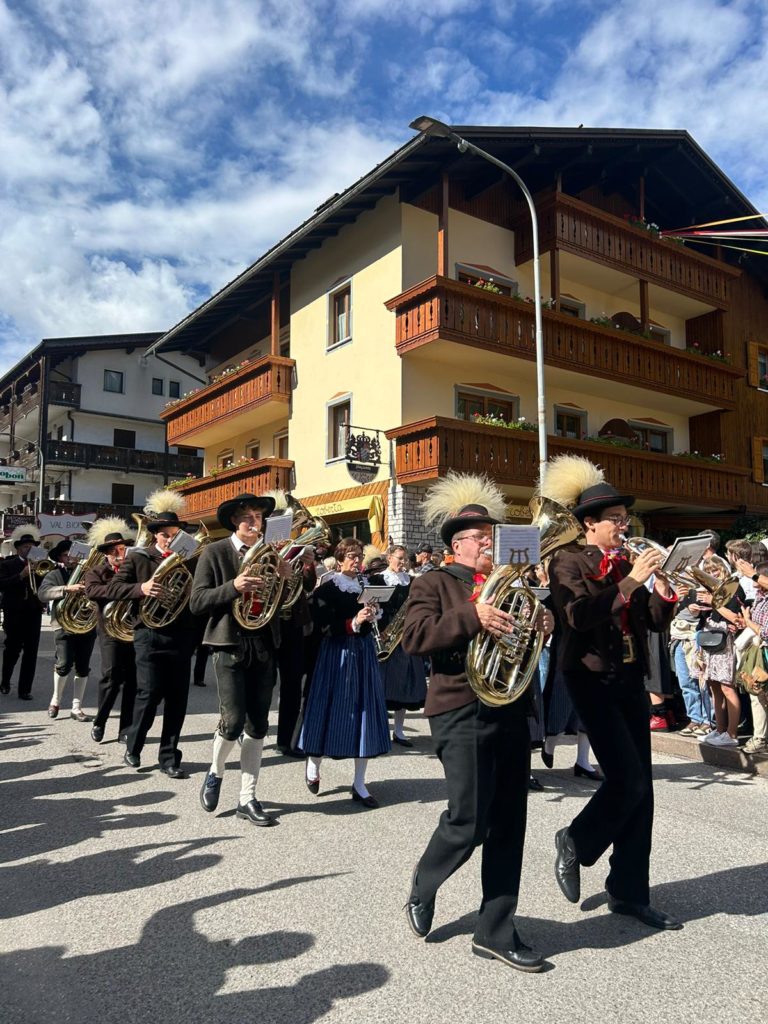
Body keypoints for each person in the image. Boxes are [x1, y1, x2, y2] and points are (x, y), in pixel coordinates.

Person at [402, 471, 554, 973]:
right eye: (480, 537)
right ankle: (425, 880)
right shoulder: (434, 582)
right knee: (468, 821)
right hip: (459, 709)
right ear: (458, 545)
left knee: (509, 822)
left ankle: (495, 930)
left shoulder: (515, 586)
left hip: (507, 708)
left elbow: (522, 645)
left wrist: (544, 622)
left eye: (493, 536)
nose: (489, 543)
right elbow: (415, 638)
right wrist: (474, 616)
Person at [543, 455, 681, 931]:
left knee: (644, 791)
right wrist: (631, 580)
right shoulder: (567, 561)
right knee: (627, 780)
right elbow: (579, 616)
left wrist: (664, 588)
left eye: (625, 519)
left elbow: (654, 623)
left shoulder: (626, 563)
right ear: (590, 524)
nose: (624, 526)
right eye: (616, 520)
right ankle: (576, 840)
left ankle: (629, 892)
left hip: (630, 676)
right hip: (589, 678)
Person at [191, 493, 290, 825]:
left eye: (258, 517)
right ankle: (215, 771)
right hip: (228, 644)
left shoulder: (270, 554)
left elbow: (282, 603)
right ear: (234, 521)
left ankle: (247, 797)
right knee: (233, 722)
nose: (254, 522)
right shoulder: (215, 552)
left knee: (258, 724)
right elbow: (197, 602)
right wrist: (233, 586)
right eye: (247, 517)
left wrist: (288, 577)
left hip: (263, 644)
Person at [106, 490, 198, 779]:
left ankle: (169, 757)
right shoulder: (139, 558)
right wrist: (141, 588)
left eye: (175, 534)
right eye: (165, 535)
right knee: (149, 693)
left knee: (178, 699)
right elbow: (113, 588)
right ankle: (134, 745)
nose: (170, 539)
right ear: (155, 535)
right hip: (149, 634)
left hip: (181, 634)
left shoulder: (190, 559)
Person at [298, 537, 390, 808]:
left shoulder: (367, 585)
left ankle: (359, 784)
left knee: (365, 713)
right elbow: (322, 627)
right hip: (336, 654)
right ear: (339, 560)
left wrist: (375, 614)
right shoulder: (328, 588)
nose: (356, 560)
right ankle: (313, 764)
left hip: (363, 653)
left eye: (359, 555)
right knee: (329, 709)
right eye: (351, 556)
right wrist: (353, 621)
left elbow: (378, 617)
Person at [82, 518, 138, 743]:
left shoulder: (134, 570)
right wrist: (127, 589)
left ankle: (126, 728)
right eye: (113, 550)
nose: (118, 553)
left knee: (133, 679)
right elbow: (93, 591)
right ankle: (100, 720)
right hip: (109, 630)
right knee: (111, 676)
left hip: (133, 628)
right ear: (106, 553)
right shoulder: (96, 571)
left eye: (122, 549)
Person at [370, 545, 427, 746]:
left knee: (405, 683)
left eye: (405, 559)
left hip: (405, 635)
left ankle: (399, 731)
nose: (403, 562)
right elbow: (370, 605)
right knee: (381, 682)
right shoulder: (377, 580)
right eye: (399, 558)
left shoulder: (411, 581)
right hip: (383, 635)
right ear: (389, 558)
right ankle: (378, 728)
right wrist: (379, 625)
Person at [38, 539, 96, 722]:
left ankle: (76, 707)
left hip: (86, 624)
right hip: (63, 624)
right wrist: (66, 589)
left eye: (75, 555)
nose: (71, 558)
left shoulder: (89, 573)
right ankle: (55, 700)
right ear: (60, 558)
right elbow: (42, 593)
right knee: (63, 665)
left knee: (83, 666)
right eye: (66, 555)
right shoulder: (55, 574)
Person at [0, 526, 45, 700]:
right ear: (18, 548)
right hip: (14, 613)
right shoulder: (8, 564)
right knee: (12, 650)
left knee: (31, 652)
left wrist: (40, 572)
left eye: (31, 547)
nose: (29, 549)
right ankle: (5, 682)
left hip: (33, 612)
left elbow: (44, 586)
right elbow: (2, 584)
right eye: (26, 547)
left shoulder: (39, 565)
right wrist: (21, 575)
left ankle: (25, 689)